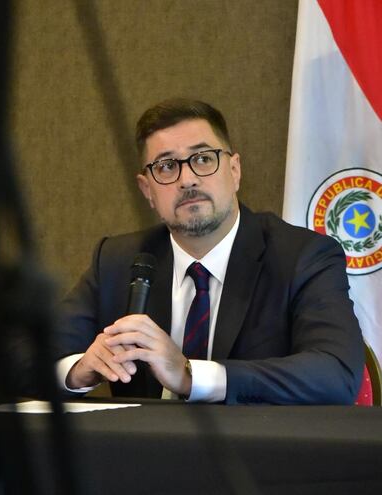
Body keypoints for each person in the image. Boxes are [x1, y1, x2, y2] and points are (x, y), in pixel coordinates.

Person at [55, 98, 364, 404]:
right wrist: (78, 371)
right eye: (166, 166)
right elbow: (31, 356)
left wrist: (191, 376)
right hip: (143, 438)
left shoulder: (302, 257)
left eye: (203, 159)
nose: (187, 180)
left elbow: (336, 373)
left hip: (255, 438)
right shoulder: (117, 261)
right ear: (147, 190)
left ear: (235, 170)